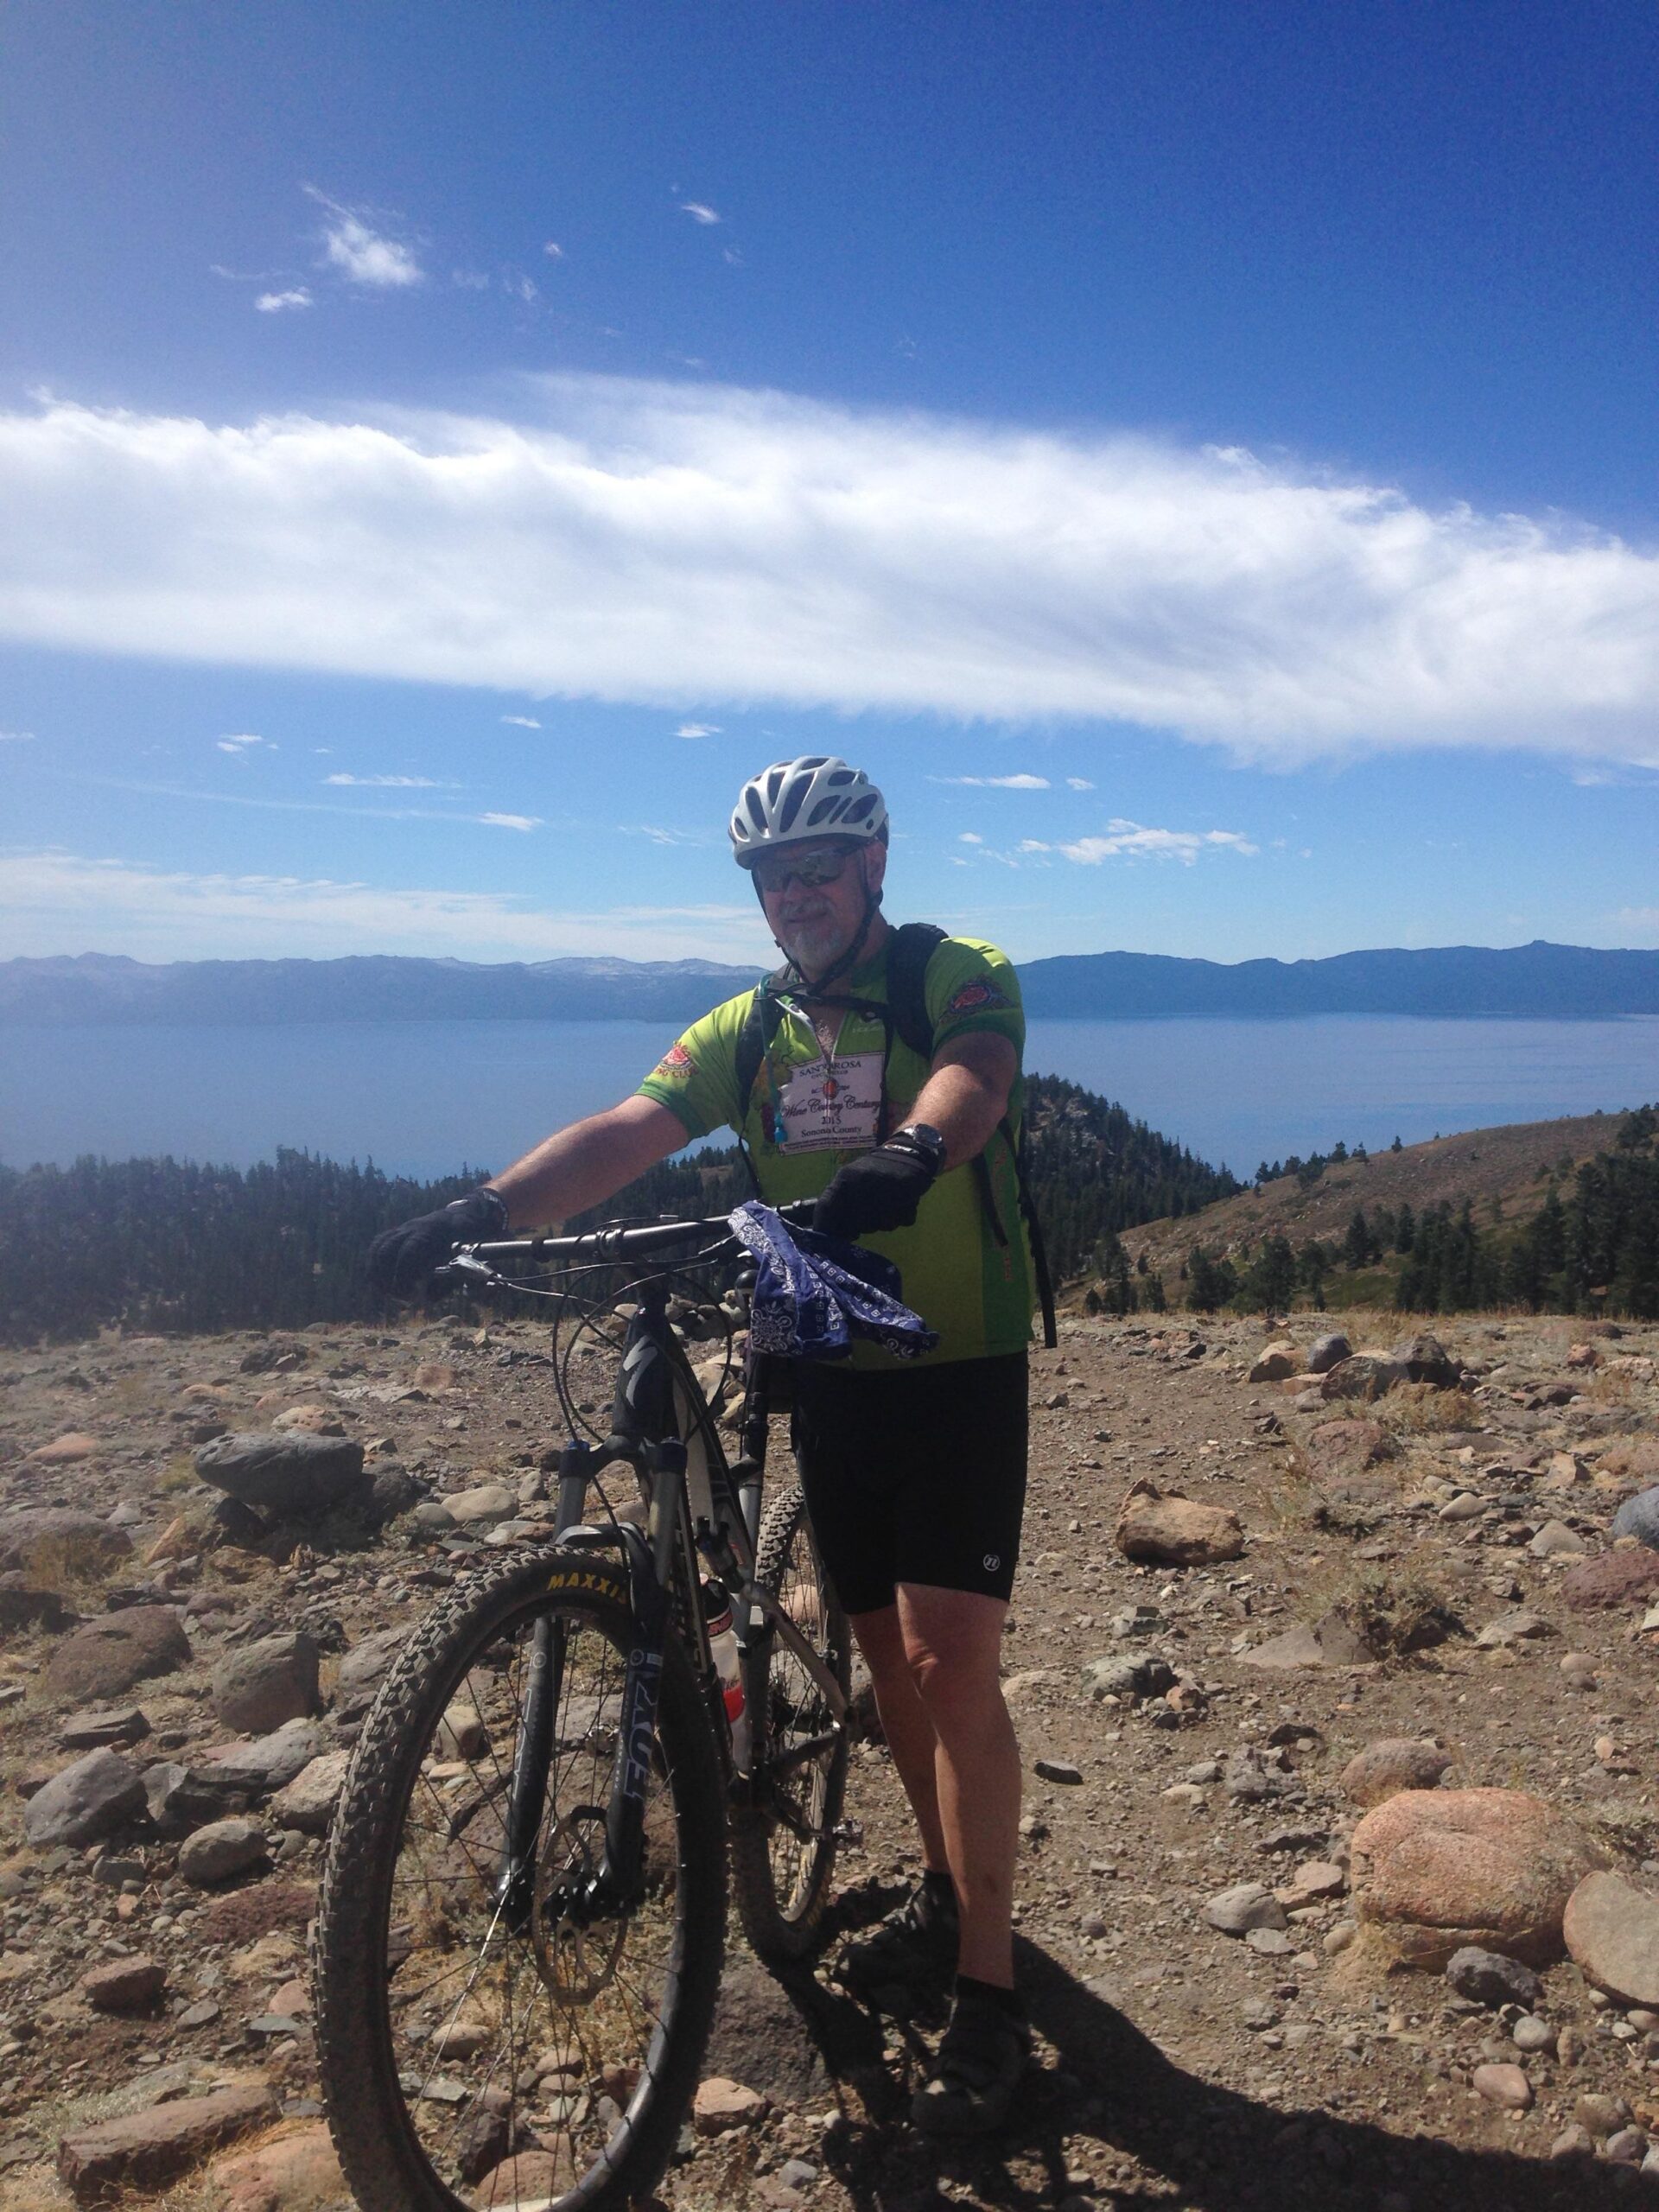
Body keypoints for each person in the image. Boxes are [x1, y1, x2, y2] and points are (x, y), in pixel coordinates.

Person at [368, 755, 1036, 2133]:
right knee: (875, 1660)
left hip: (958, 1364)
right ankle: (935, 1875)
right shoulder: (752, 1027)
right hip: (829, 1367)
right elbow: (631, 1128)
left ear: (873, 866)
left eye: (818, 869)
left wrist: (910, 1157)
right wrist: (483, 1207)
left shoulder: (952, 970)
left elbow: (977, 1074)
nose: (794, 897)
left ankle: (991, 1996)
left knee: (943, 1655)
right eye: (771, 878)